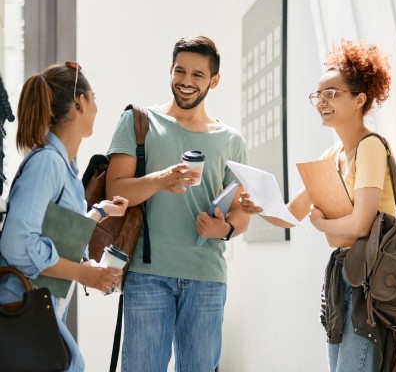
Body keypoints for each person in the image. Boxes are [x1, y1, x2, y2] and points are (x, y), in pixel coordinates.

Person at [240, 39, 396, 371]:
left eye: (332, 93)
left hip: (368, 280)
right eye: (318, 95)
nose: (322, 102)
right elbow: (290, 214)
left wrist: (322, 224)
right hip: (343, 277)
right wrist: (258, 203)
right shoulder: (331, 156)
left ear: (359, 100)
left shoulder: (371, 147)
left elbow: (359, 225)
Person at [106, 35, 250, 371]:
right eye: (180, 71)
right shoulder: (139, 122)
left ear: (214, 80)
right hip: (147, 275)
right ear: (170, 71)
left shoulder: (230, 140)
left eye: (198, 75)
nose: (186, 81)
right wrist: (159, 179)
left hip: (206, 277)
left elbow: (241, 210)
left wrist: (225, 228)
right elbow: (116, 191)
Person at [0, 62, 129, 371]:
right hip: (20, 306)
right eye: (93, 97)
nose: (97, 107)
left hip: (36, 306)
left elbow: (52, 229)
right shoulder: (48, 164)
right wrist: (84, 274)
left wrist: (97, 215)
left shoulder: (66, 168)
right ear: (80, 103)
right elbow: (18, 244)